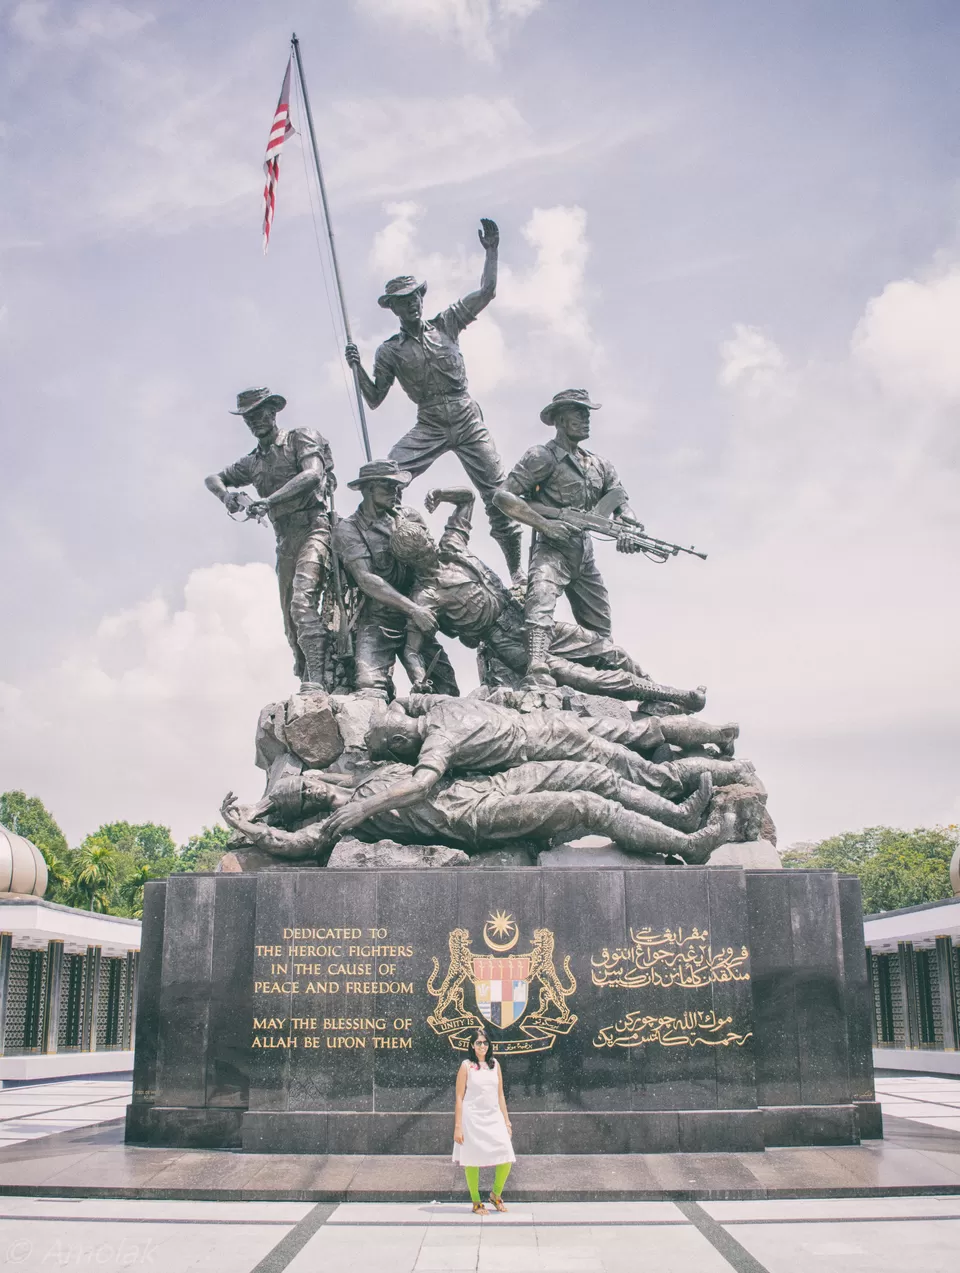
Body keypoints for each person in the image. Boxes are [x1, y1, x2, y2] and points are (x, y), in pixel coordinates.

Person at [390, 486, 707, 710]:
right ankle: (677, 697)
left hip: (526, 619)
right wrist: (418, 679)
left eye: (427, 541)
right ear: (412, 559)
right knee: (587, 678)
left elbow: (468, 499)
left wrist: (441, 495)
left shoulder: (452, 546)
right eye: (421, 551)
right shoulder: (425, 596)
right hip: (507, 644)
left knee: (607, 650)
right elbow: (412, 649)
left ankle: (657, 698)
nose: (430, 549)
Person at [344, 218, 525, 586]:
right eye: (403, 302)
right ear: (393, 308)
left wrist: (491, 251)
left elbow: (487, 291)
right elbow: (375, 399)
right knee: (385, 473)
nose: (412, 305)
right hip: (429, 423)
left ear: (422, 299)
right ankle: (382, 549)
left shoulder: (448, 324)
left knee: (499, 496)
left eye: (415, 298)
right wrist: (358, 368)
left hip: (465, 416)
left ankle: (518, 572)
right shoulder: (389, 351)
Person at [219, 757, 762, 865]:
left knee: (585, 771)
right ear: (307, 806)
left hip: (482, 782)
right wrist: (251, 829)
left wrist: (263, 801)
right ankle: (688, 842)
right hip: (475, 819)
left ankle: (678, 812)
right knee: (583, 805)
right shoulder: (343, 819)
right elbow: (301, 845)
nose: (315, 788)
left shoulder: (359, 776)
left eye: (310, 783)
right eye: (306, 795)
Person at [494, 388, 642, 681]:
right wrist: (545, 524)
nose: (586, 419)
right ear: (560, 419)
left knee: (600, 625)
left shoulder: (600, 465)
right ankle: (536, 666)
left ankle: (606, 678)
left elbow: (622, 504)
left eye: (587, 413)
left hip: (583, 554)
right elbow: (503, 497)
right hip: (552, 548)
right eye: (579, 413)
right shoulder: (542, 456)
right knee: (540, 601)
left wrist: (629, 527)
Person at [205, 387, 334, 688]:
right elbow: (213, 478)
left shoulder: (298, 438)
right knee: (291, 623)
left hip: (314, 529)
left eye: (259, 413)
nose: (255, 421)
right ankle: (307, 674)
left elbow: (313, 474)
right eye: (248, 417)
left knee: (302, 604)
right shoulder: (253, 462)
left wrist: (269, 501)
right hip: (285, 541)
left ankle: (317, 680)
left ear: (273, 411)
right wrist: (226, 496)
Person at [332, 459, 458, 698]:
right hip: (379, 620)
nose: (396, 492)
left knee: (446, 688)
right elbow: (366, 579)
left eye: (397, 487)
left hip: (420, 614)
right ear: (368, 489)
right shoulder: (348, 529)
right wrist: (413, 610)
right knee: (369, 686)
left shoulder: (409, 517)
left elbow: (431, 561)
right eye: (388, 487)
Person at [453, 1028, 515, 1215]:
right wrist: (458, 1126)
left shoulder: (494, 1064)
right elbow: (459, 1097)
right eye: (478, 1043)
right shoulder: (466, 1066)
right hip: (472, 1118)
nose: (482, 1046)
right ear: (472, 1045)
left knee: (506, 1154)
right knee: (472, 1159)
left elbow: (500, 1094)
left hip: (493, 1116)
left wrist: (507, 1121)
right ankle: (476, 1202)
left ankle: (495, 1195)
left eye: (485, 1042)